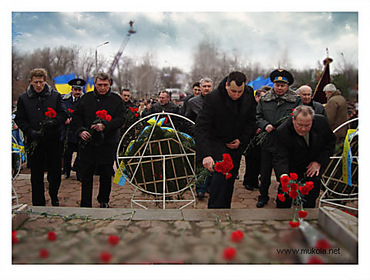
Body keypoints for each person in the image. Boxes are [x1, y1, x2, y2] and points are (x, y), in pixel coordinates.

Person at [195, 71, 256, 209]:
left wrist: (241, 139)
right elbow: (201, 127)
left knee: (229, 181)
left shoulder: (248, 94)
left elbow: (251, 121)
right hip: (217, 142)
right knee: (219, 181)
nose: (236, 95)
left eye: (239, 92)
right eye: (233, 91)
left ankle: (225, 211)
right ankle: (214, 213)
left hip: (236, 144)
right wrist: (206, 154)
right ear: (227, 85)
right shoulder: (213, 98)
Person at [71, 72, 125, 208]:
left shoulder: (116, 100)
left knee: (106, 174)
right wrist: (81, 131)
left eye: (105, 85)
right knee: (86, 174)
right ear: (95, 84)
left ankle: (103, 199)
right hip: (87, 143)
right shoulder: (85, 99)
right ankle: (85, 202)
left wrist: (105, 126)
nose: (102, 88)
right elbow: (76, 118)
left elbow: (121, 119)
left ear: (110, 84)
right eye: (99, 85)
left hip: (107, 143)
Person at [15, 68, 67, 206]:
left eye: (41, 82)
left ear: (45, 82)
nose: (39, 85)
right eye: (36, 82)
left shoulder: (54, 96)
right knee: (36, 174)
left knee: (55, 173)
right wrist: (29, 131)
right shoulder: (24, 98)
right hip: (34, 141)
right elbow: (20, 119)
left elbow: (63, 114)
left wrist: (54, 122)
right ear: (31, 82)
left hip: (52, 140)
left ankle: (54, 195)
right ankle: (38, 202)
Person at [274, 105, 336, 208]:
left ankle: (308, 217)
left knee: (311, 193)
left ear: (312, 120)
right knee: (285, 197)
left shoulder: (322, 123)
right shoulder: (283, 131)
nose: (303, 129)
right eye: (299, 125)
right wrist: (283, 175)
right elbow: (280, 156)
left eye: (307, 125)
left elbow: (330, 143)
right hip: (293, 165)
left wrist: (318, 161)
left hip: (313, 164)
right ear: (293, 120)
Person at [256, 69, 300, 208]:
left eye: (282, 85)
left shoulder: (295, 101)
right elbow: (257, 117)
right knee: (264, 172)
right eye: (277, 85)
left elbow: (298, 119)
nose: (279, 88)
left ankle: (283, 198)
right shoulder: (265, 100)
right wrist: (265, 125)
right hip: (268, 141)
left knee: (284, 173)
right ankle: (263, 196)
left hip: (286, 143)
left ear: (288, 86)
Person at [61, 78, 86, 180]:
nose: (77, 92)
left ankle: (79, 174)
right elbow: (61, 112)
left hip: (79, 131)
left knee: (81, 154)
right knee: (67, 153)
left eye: (79, 90)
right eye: (75, 90)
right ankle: (66, 171)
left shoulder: (85, 100)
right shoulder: (65, 100)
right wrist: (64, 119)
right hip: (68, 132)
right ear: (72, 89)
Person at [243, 89, 267, 191]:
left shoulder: (264, 107)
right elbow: (246, 121)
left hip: (262, 137)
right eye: (261, 97)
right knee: (250, 161)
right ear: (256, 97)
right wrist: (254, 130)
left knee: (259, 161)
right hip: (251, 138)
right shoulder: (249, 107)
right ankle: (248, 181)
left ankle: (255, 181)